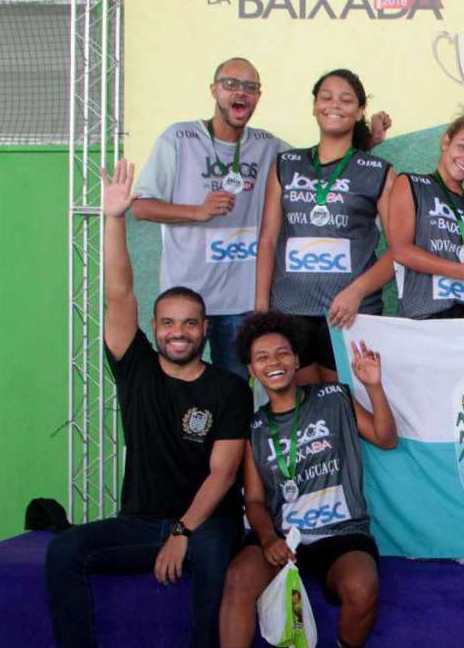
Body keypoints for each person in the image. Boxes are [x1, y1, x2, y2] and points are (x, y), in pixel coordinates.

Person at [46, 160, 251, 648]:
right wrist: (114, 218)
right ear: (155, 328)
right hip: (139, 521)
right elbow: (120, 291)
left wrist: (183, 530)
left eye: (189, 324)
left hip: (208, 523)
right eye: (167, 323)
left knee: (212, 560)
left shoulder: (229, 388)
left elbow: (223, 475)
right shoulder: (135, 366)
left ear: (205, 329)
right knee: (64, 550)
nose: (177, 332)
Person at [219, 312, 397, 648]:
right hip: (282, 536)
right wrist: (269, 539)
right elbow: (255, 501)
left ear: (297, 359)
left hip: (341, 532)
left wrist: (374, 387)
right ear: (252, 371)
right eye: (262, 357)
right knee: (238, 578)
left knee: (362, 588)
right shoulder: (254, 427)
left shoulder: (334, 397)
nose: (274, 362)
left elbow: (386, 438)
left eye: (283, 353)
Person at [131, 57, 286, 378]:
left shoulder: (266, 145)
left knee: (236, 392)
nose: (240, 92)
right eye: (230, 84)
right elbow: (141, 207)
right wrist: (197, 211)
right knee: (180, 387)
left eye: (250, 87)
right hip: (187, 299)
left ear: (258, 96)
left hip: (242, 302)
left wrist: (367, 140)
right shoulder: (178, 138)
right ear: (214, 90)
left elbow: (318, 160)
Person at [255, 69, 396, 383]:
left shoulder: (378, 172)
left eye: (346, 100)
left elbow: (401, 251)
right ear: (314, 105)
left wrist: (356, 292)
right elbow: (267, 240)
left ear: (359, 110)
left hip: (352, 315)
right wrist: (262, 309)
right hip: (290, 311)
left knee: (350, 409)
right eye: (326, 97)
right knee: (302, 412)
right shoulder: (286, 164)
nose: (335, 105)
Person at [389, 108, 464, 319]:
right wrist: (459, 270)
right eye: (463, 147)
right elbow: (401, 251)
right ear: (446, 142)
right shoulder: (411, 184)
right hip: (427, 316)